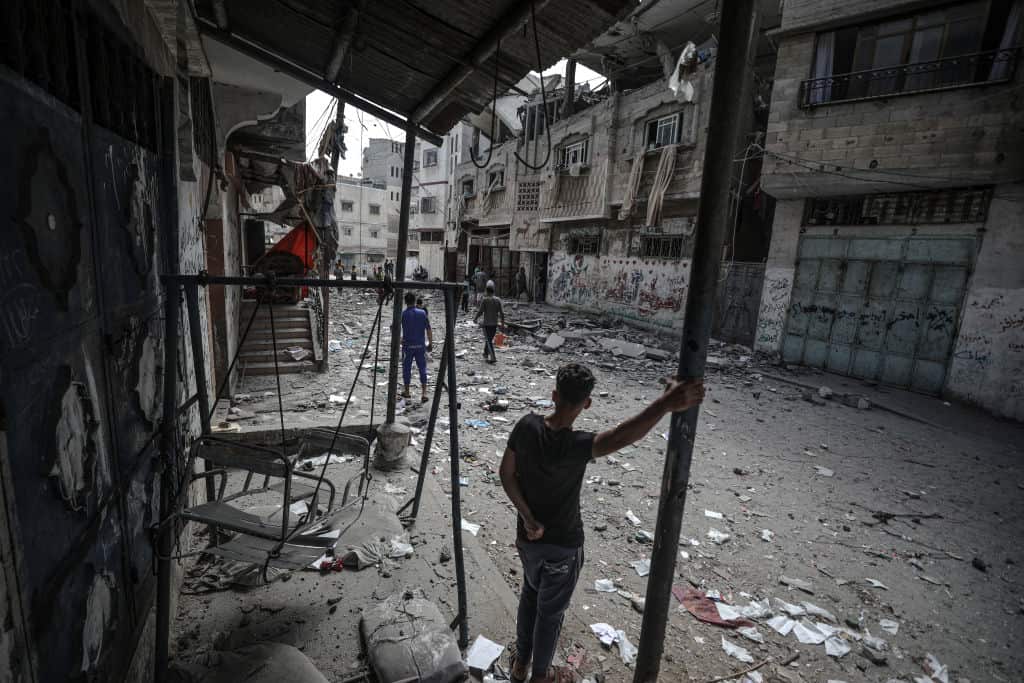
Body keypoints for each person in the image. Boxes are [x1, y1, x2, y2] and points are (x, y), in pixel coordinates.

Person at [501, 365, 705, 683]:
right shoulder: (579, 445)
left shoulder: (525, 426)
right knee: (550, 613)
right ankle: (540, 677)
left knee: (530, 595)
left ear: (554, 395)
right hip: (563, 546)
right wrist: (664, 404)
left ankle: (519, 666)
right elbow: (624, 435)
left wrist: (527, 517)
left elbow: (506, 474)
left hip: (528, 540)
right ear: (587, 404)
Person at [400, 291, 432, 402]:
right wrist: (430, 343)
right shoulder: (422, 313)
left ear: (405, 302)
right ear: (415, 300)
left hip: (408, 346)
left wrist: (399, 340)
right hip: (420, 346)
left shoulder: (403, 314)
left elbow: (394, 328)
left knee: (406, 369)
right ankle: (424, 393)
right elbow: (428, 329)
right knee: (422, 368)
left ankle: (407, 391)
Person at [473, 284, 505, 364]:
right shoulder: (498, 300)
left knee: (489, 340)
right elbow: (502, 313)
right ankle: (485, 353)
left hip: (487, 323)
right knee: (489, 339)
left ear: (487, 291)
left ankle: (493, 357)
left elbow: (480, 311)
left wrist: (475, 318)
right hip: (494, 323)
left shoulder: (485, 300)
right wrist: (502, 324)